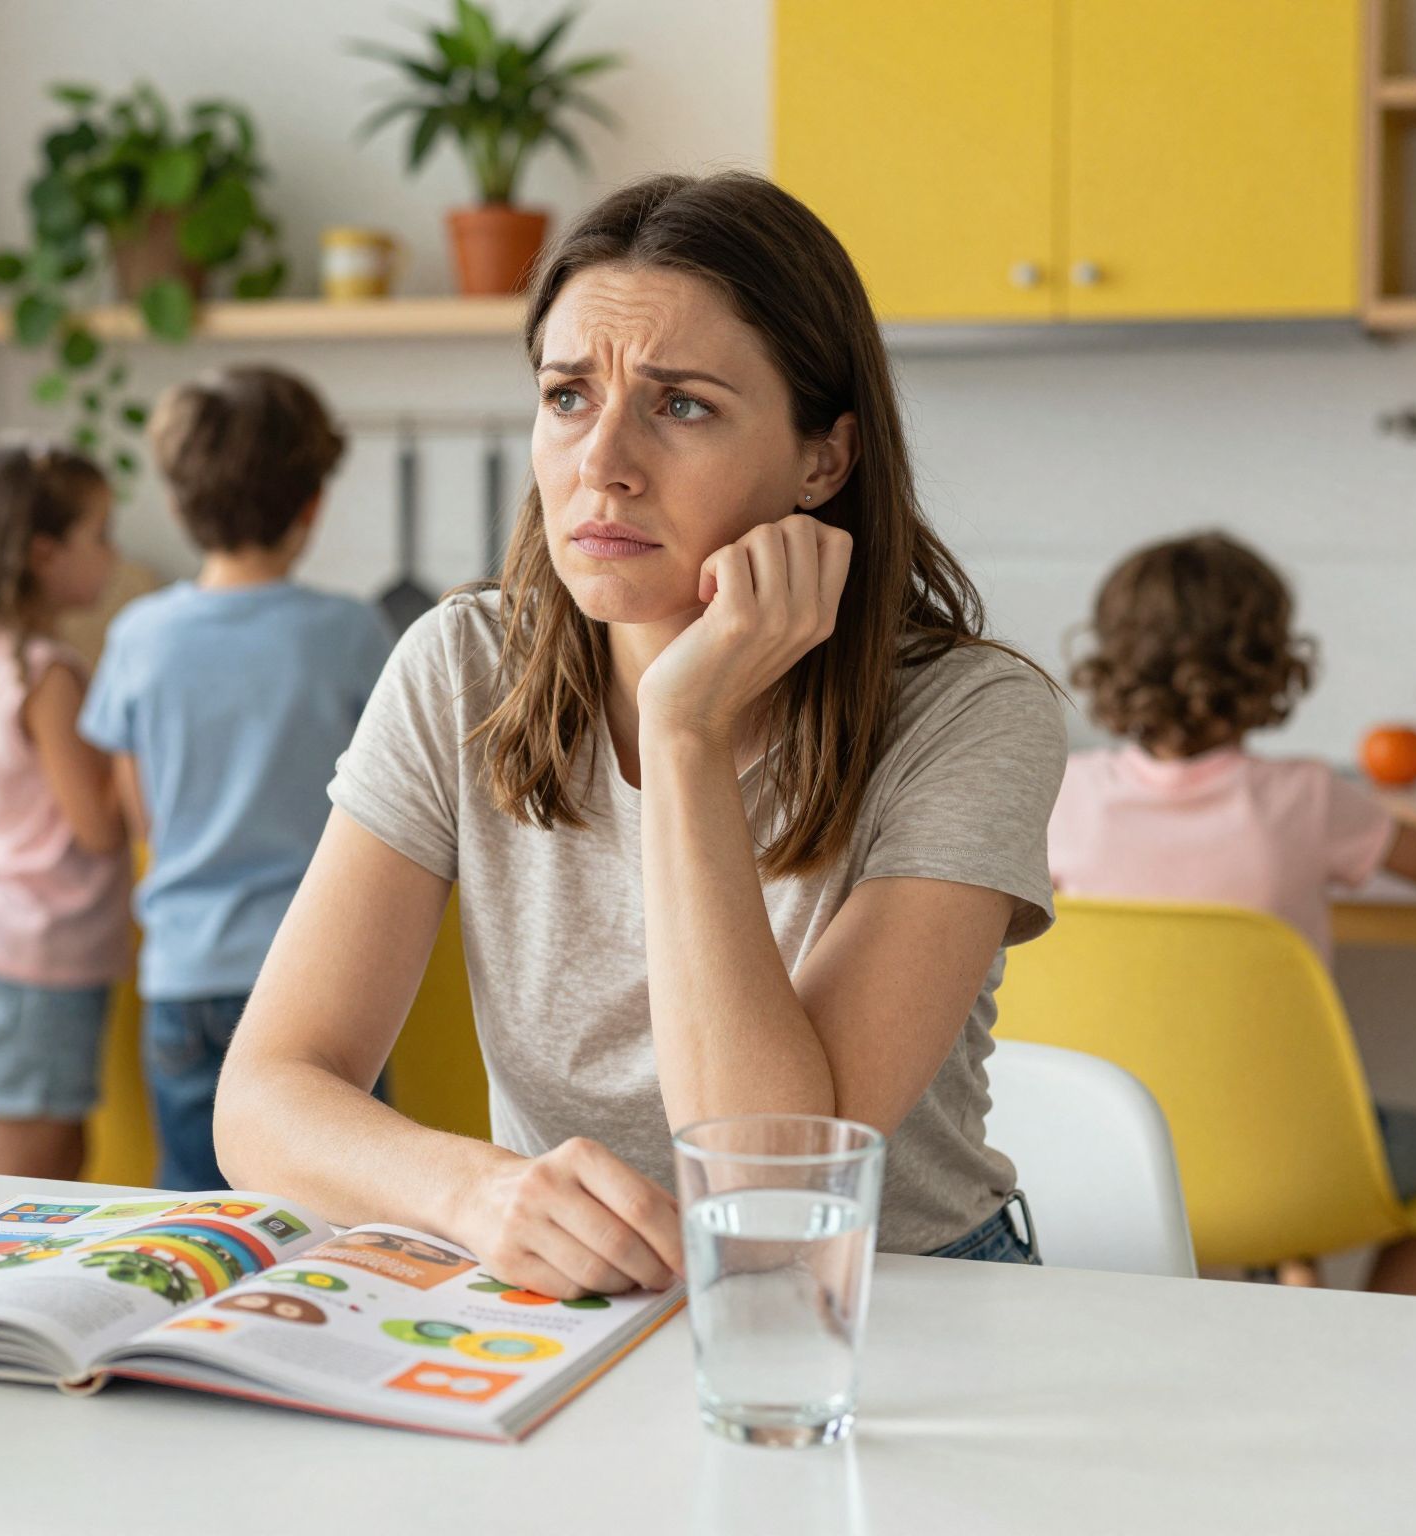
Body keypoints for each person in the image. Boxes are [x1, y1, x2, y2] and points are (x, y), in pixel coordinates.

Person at [214, 172, 1068, 1297]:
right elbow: (267, 1095)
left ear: (824, 458)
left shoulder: (969, 717)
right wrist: (472, 1193)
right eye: (567, 396)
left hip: (894, 1298)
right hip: (566, 1301)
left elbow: (767, 1194)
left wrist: (680, 732)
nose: (601, 463)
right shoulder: (460, 665)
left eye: (682, 406)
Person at [1049, 530, 1416, 1296]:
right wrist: (1385, 799)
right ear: (1274, 665)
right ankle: (1356, 1336)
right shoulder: (1309, 799)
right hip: (1279, 1166)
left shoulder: (1064, 795)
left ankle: (1289, 1266)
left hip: (1102, 1157)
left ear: (1113, 660)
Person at [80, 365, 394, 1190]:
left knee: (193, 1215)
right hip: (327, 981)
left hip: (184, 978)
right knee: (337, 1215)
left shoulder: (137, 636)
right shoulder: (353, 634)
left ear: (183, 502)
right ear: (311, 505)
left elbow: (139, 814)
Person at [0, 434, 130, 1180]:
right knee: (35, 1177)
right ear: (44, 553)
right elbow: (98, 824)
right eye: (99, 536)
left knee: (48, 1156)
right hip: (37, 957)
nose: (112, 554)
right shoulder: (48, 674)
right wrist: (136, 748)